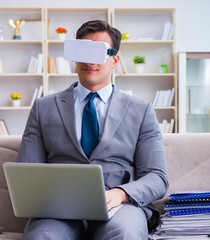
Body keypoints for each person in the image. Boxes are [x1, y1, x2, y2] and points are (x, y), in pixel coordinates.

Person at [17, 20, 168, 240]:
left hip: (119, 206)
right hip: (59, 210)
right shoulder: (43, 108)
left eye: (98, 52)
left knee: (127, 234)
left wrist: (121, 194)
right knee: (42, 237)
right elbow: (27, 173)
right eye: (83, 51)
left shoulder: (141, 110)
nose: (89, 60)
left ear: (115, 59)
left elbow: (157, 177)